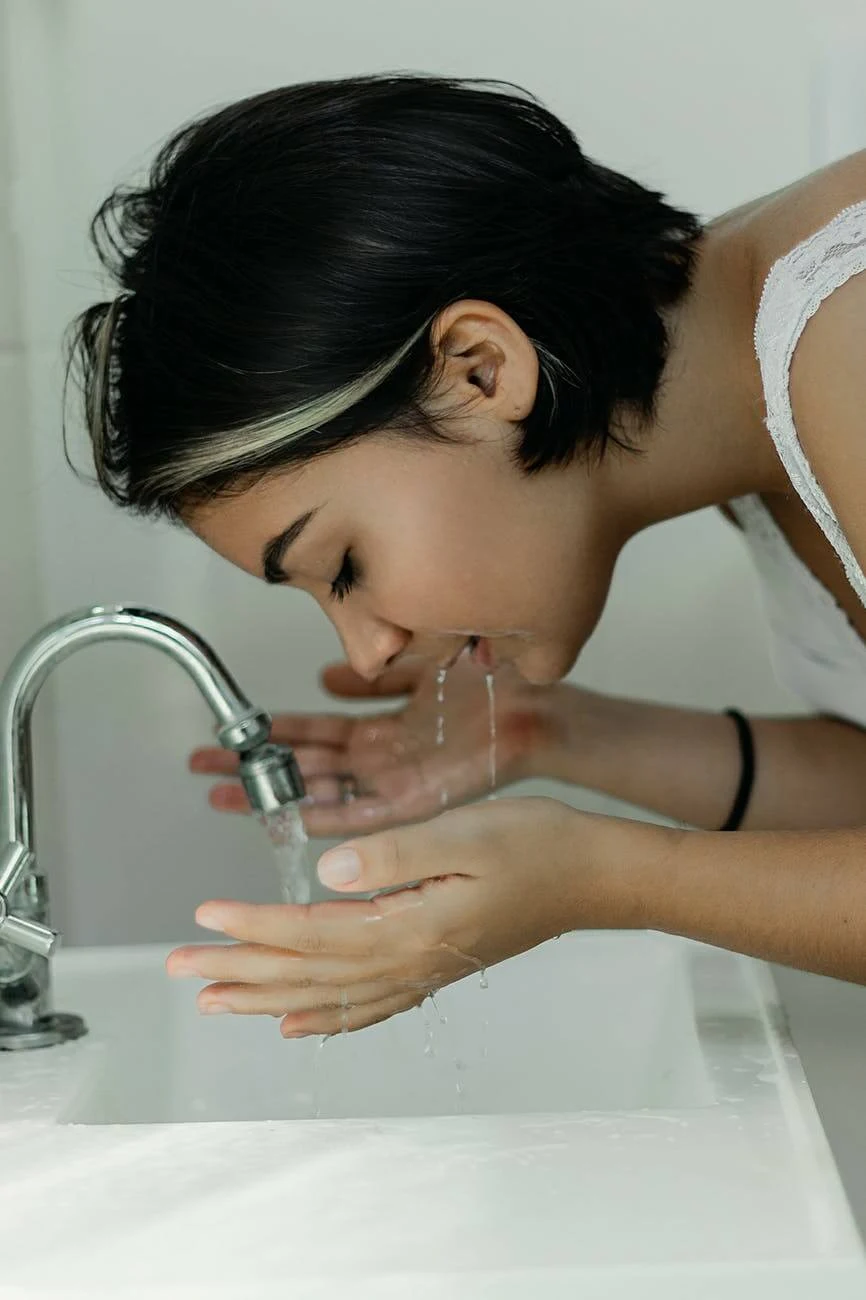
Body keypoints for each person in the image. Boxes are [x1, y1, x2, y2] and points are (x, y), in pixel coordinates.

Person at [66, 73, 866, 1037]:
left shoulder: (849, 333)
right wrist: (550, 735)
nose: (370, 652)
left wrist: (604, 877)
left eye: (344, 565)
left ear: (480, 370)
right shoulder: (752, 403)